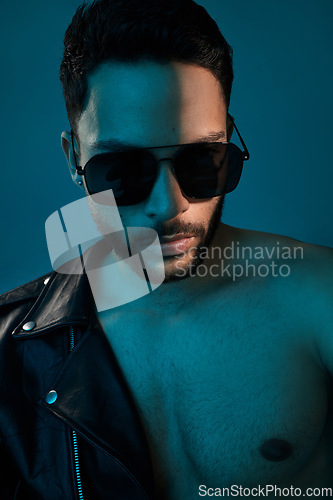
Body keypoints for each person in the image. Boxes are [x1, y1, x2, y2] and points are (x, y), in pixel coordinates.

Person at [0, 0, 332, 498]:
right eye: (124, 171)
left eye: (202, 160)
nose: (169, 204)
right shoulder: (12, 346)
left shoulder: (319, 299)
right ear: (74, 159)